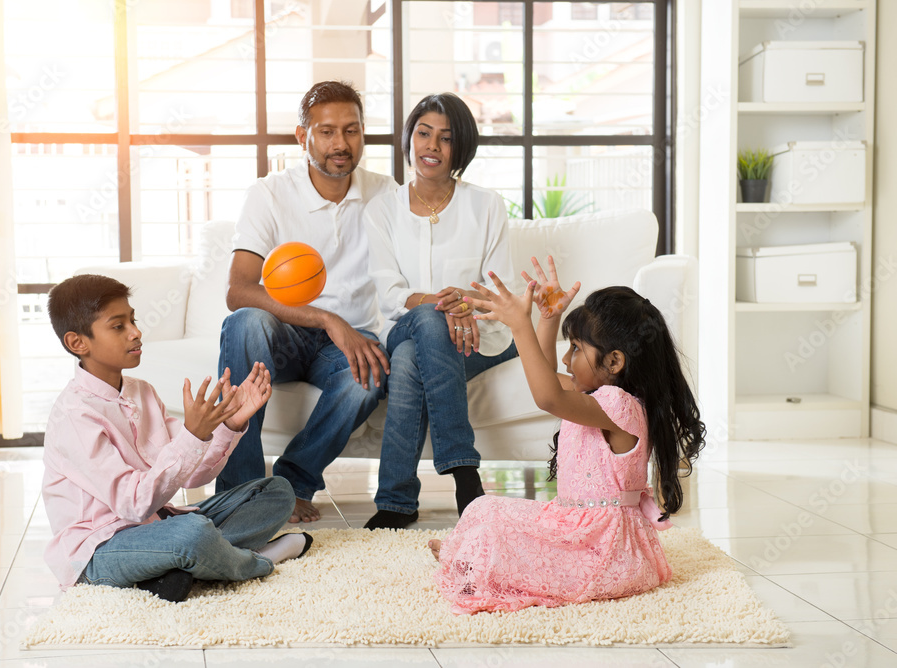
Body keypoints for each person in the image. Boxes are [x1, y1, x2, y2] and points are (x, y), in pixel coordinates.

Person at [429, 261, 706, 614]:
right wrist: (548, 319)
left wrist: (520, 325)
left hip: (604, 552)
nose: (565, 357)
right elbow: (545, 378)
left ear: (614, 362)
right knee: (483, 509)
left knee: (491, 526)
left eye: (575, 348)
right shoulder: (598, 399)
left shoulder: (620, 407)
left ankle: (468, 558)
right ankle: (468, 555)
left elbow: (548, 397)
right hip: (580, 531)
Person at [42, 274, 312, 604]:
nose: (136, 332)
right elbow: (134, 505)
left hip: (158, 526)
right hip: (99, 551)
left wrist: (230, 423)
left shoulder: (142, 392)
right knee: (191, 534)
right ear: (78, 343)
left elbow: (194, 475)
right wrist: (193, 435)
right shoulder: (74, 415)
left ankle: (181, 567)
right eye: (118, 326)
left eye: (133, 320)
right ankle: (257, 561)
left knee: (276, 491)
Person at [217, 81, 398, 523]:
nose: (341, 144)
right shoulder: (269, 193)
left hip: (348, 340)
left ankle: (291, 485)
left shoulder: (386, 193)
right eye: (327, 132)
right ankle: (240, 491)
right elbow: (238, 290)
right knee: (246, 322)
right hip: (284, 332)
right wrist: (327, 318)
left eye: (352, 130)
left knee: (368, 374)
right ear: (303, 137)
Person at [362, 93, 518, 530]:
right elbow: (391, 293)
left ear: (460, 147)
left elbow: (499, 290)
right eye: (423, 133)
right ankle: (465, 476)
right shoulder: (382, 210)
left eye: (445, 138)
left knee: (411, 360)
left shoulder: (486, 205)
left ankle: (396, 501)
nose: (431, 146)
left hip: (480, 337)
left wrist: (467, 302)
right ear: (409, 139)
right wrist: (445, 305)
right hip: (406, 325)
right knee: (429, 323)